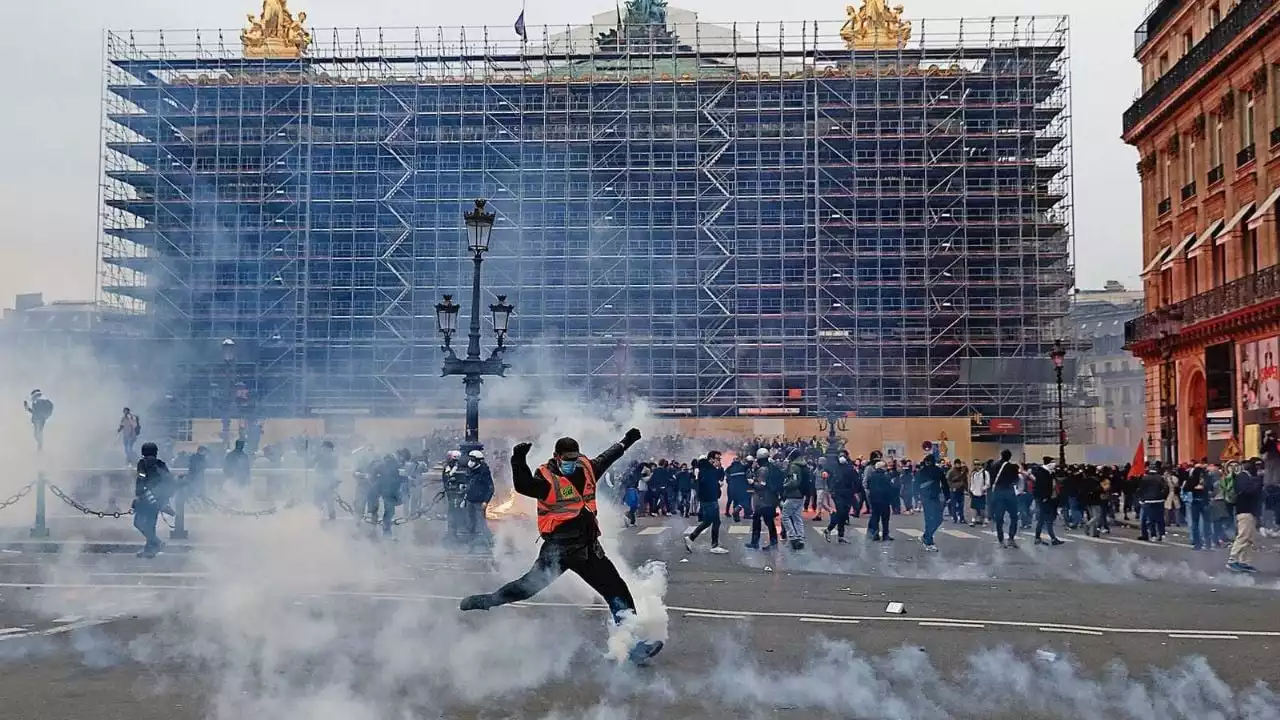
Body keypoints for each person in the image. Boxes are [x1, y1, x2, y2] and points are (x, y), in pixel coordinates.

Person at [459, 428, 664, 665]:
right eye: (567, 460)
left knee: (617, 591)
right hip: (558, 552)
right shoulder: (546, 480)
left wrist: (626, 441)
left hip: (588, 550)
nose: (572, 464)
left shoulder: (586, 468)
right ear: (557, 457)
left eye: (574, 459)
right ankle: (487, 601)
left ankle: (633, 647)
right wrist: (518, 459)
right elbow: (524, 485)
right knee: (525, 588)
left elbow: (607, 457)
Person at [133, 442, 172, 558]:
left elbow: (141, 478)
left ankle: (154, 544)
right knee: (151, 524)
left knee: (138, 523)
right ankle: (151, 547)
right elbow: (168, 481)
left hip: (145, 498)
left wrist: (138, 494)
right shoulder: (161, 464)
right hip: (158, 499)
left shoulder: (142, 463)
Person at [685, 451, 728, 554]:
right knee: (712, 521)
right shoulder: (705, 469)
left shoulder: (710, 469)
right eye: (717, 459)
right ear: (711, 459)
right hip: (708, 499)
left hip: (711, 499)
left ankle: (692, 538)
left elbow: (720, 477)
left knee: (710, 521)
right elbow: (707, 482)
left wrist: (720, 467)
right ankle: (712, 545)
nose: (719, 461)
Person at [1228, 460, 1262, 573]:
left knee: (1249, 538)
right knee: (1243, 536)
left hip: (1250, 511)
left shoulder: (1246, 477)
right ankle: (1232, 559)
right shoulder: (1242, 477)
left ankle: (1244, 562)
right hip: (1244, 511)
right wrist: (1257, 482)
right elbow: (1248, 492)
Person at [746, 448, 782, 551]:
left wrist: (752, 482)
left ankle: (755, 542)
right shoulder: (771, 467)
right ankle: (773, 542)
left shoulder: (763, 470)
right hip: (770, 499)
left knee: (758, 520)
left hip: (764, 500)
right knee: (768, 521)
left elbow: (761, 485)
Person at [989, 450, 1020, 549]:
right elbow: (1016, 480)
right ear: (1009, 457)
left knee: (999, 518)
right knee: (1014, 516)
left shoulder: (993, 466)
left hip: (998, 493)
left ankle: (1001, 540)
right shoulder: (1013, 467)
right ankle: (1011, 538)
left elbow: (991, 480)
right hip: (1009, 493)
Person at [463, 449, 495, 548]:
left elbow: (490, 487)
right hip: (470, 500)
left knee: (481, 523)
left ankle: (489, 541)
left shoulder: (484, 471)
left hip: (479, 502)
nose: (471, 461)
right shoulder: (470, 470)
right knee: (470, 523)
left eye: (473, 459)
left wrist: (486, 501)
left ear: (479, 461)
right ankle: (472, 541)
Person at [914, 454, 945, 551]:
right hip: (929, 497)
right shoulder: (932, 471)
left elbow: (915, 485)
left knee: (933, 519)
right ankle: (928, 539)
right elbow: (945, 484)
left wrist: (917, 497)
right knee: (935, 519)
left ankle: (927, 537)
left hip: (930, 497)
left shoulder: (924, 471)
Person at [823, 452, 856, 543]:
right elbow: (827, 472)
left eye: (843, 456)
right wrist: (831, 489)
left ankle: (840, 536)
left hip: (847, 494)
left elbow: (855, 480)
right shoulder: (835, 467)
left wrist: (854, 491)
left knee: (844, 514)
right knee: (840, 512)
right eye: (840, 456)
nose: (842, 458)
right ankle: (829, 529)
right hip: (837, 493)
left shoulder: (850, 467)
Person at [1031, 460, 1063, 546]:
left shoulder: (1047, 473)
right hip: (1046, 499)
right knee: (1046, 519)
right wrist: (1045, 497)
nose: (1054, 465)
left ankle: (1042, 538)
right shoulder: (1044, 473)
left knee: (1044, 519)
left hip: (1047, 498)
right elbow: (1044, 486)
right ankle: (1050, 538)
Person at [865, 460, 893, 541]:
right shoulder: (886, 476)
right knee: (885, 518)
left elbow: (868, 486)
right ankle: (885, 535)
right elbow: (889, 488)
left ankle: (875, 533)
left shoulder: (871, 476)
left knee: (875, 516)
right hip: (884, 499)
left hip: (873, 499)